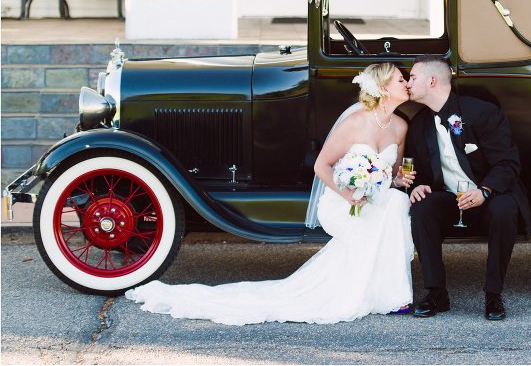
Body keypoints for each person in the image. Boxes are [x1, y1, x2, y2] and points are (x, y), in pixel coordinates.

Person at [126, 63, 417, 325]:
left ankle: (391, 295)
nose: (406, 83)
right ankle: (378, 294)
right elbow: (322, 166)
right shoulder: (355, 123)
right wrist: (349, 195)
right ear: (382, 89)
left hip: (372, 199)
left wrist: (400, 179)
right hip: (342, 202)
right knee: (385, 214)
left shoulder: (400, 126)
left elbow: (393, 176)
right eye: (400, 80)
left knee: (396, 199)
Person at [405, 54, 531, 321]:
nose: (408, 83)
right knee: (422, 208)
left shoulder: (481, 113)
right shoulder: (419, 125)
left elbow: (508, 164)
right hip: (451, 199)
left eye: (413, 77)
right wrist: (416, 187)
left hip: (489, 196)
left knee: (504, 209)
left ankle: (493, 295)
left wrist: (484, 191)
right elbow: (415, 168)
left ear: (431, 81)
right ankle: (436, 293)